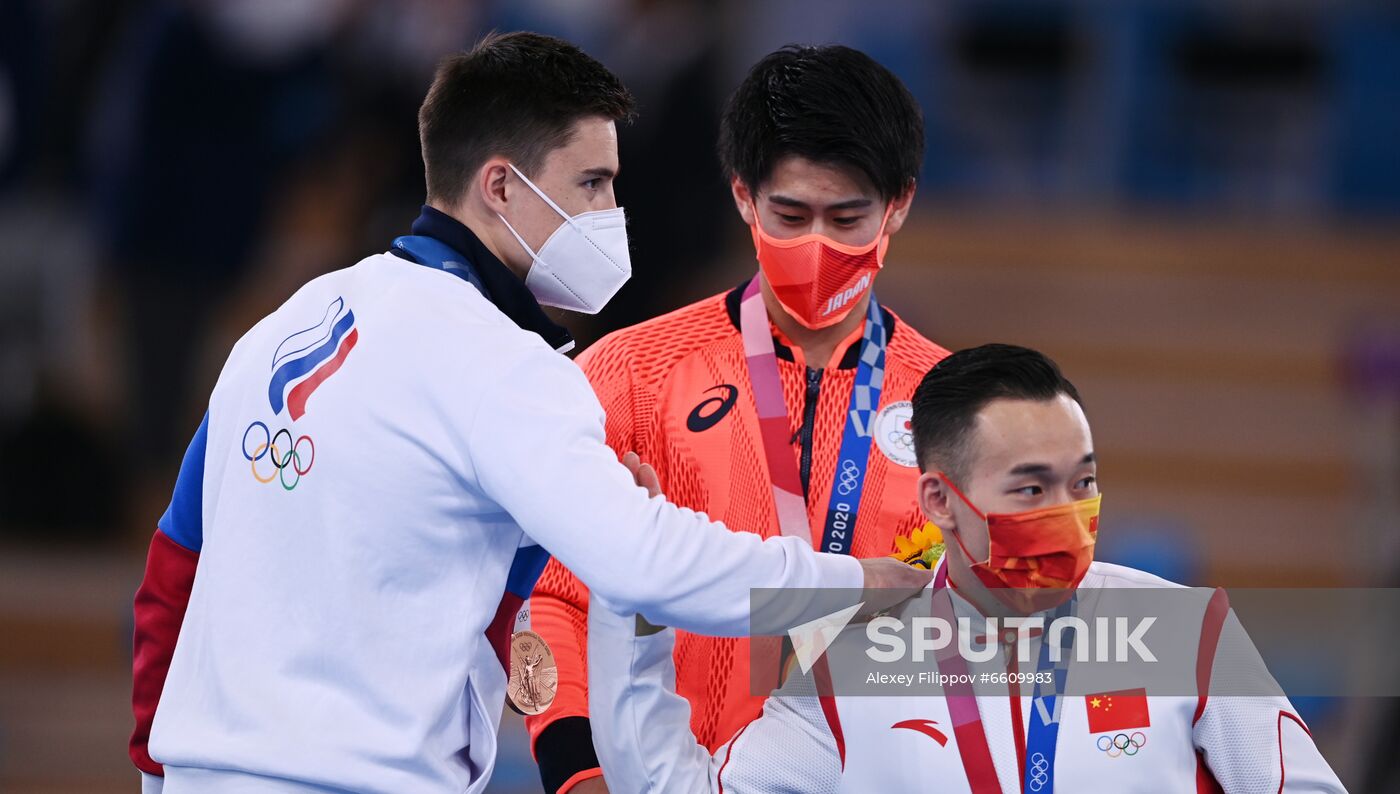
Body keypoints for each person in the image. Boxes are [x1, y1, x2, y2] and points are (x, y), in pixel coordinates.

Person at [127, 32, 927, 794]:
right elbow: (647, 566)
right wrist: (856, 583)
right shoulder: (506, 367)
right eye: (593, 184)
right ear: (502, 186)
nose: (613, 211)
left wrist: (158, 770)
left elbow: (172, 572)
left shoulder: (283, 326)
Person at [587, 344, 1346, 793]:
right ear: (940, 503)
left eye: (1082, 480)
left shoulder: (1182, 631)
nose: (1069, 509)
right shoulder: (852, 667)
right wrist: (637, 595)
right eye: (1030, 488)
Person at [527, 44, 950, 794]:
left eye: (848, 217)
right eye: (790, 214)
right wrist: (575, 771)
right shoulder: (625, 375)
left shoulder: (961, 407)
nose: (817, 245)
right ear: (742, 197)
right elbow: (549, 600)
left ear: (900, 204)